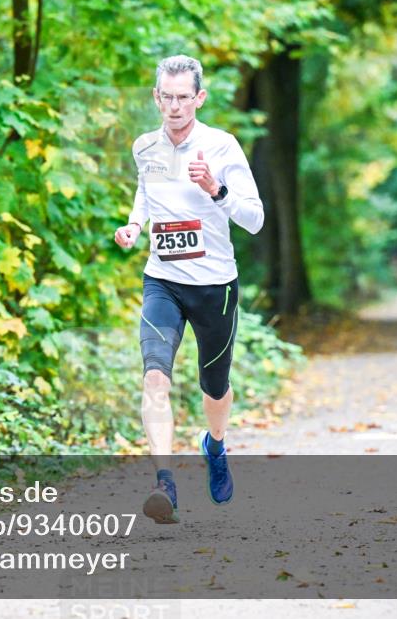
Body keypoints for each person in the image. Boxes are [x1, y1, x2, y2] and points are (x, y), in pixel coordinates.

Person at [113, 55, 264, 524]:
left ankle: (215, 446)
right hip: (163, 280)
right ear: (156, 97)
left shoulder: (222, 147)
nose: (174, 106)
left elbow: (255, 220)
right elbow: (146, 189)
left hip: (215, 286)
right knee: (154, 376)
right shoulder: (145, 147)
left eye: (183, 97)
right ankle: (165, 485)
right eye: (166, 97)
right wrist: (135, 224)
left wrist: (217, 190)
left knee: (214, 389)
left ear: (199, 98)